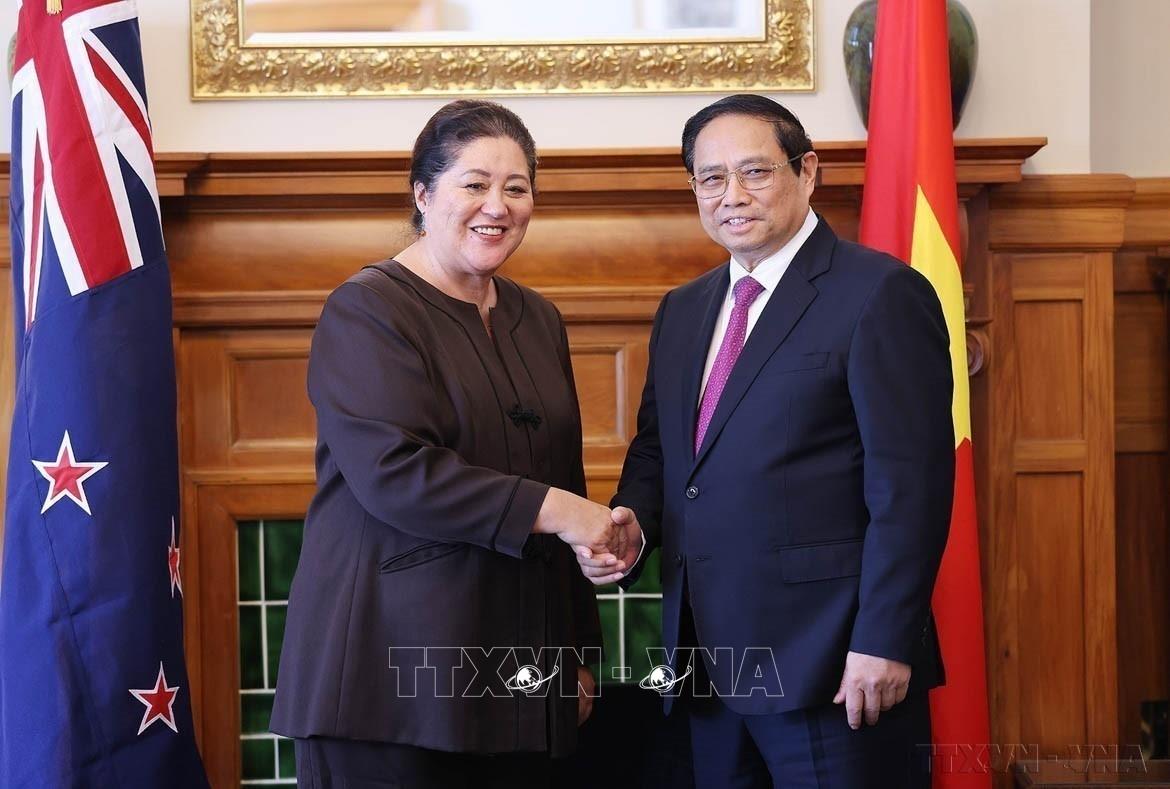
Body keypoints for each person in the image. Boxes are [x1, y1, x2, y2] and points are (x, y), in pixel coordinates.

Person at [577, 94, 955, 787]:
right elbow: (662, 452)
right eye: (711, 178)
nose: (732, 195)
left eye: (754, 171)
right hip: (709, 667)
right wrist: (632, 522)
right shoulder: (683, 308)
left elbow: (912, 489)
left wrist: (884, 639)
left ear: (807, 171)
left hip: (836, 667)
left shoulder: (881, 293)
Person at [271, 100, 625, 788]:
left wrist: (580, 652)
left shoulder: (538, 318)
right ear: (423, 195)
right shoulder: (366, 308)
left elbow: (565, 478)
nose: (498, 205)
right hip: (386, 681)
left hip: (521, 679)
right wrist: (557, 509)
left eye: (516, 188)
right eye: (474, 184)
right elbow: (396, 473)